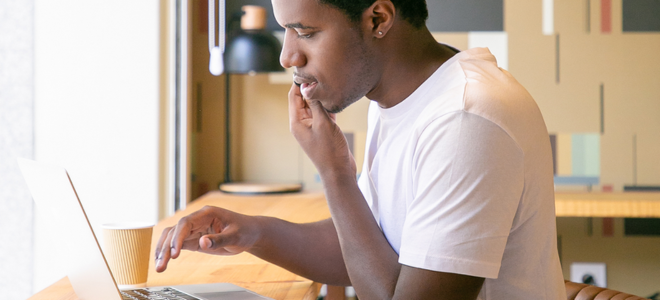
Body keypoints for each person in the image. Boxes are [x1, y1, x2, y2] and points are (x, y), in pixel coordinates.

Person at [155, 0, 566, 299]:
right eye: (286, 31)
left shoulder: (465, 119)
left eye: (306, 32)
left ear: (378, 19)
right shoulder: (400, 99)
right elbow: (366, 250)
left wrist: (335, 172)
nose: (287, 55)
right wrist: (249, 231)